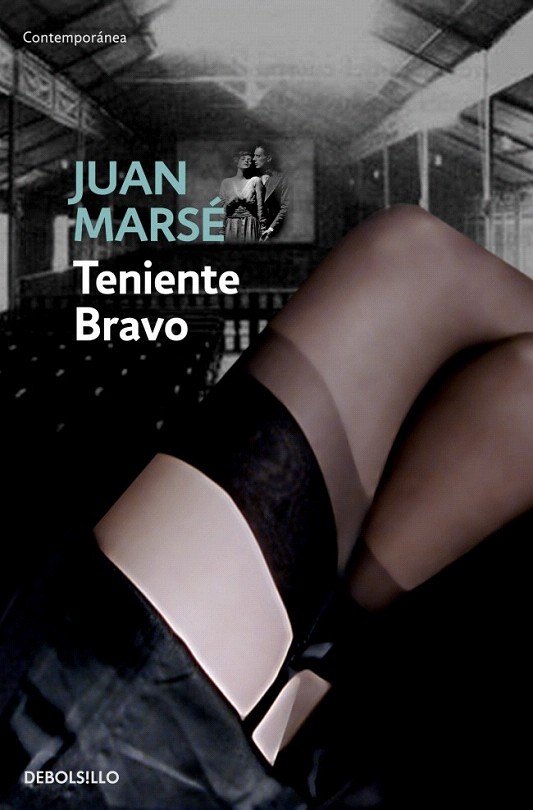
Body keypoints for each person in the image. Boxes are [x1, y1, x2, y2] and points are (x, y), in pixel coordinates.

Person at [2, 205, 533, 809]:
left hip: (76, 741)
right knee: (413, 258)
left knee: (521, 389)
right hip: (87, 742)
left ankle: (323, 655)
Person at [219, 149, 264, 242]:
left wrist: (262, 230)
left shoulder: (255, 181)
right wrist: (221, 231)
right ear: (236, 161)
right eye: (243, 159)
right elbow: (222, 208)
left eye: (249, 160)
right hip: (231, 224)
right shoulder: (226, 182)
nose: (246, 161)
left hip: (250, 224)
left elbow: (260, 207)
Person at [253, 145, 289, 240]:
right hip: (252, 229)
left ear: (268, 158)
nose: (253, 159)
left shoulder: (282, 178)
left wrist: (271, 229)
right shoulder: (250, 178)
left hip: (273, 232)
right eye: (254, 155)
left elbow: (285, 207)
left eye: (258, 156)